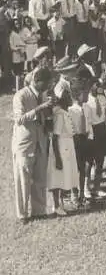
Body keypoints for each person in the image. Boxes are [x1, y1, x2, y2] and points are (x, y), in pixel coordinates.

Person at [11, 67, 53, 222]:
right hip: (25, 143)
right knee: (23, 179)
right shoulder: (20, 95)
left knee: (40, 178)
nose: (48, 86)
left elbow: (45, 118)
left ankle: (39, 211)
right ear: (37, 81)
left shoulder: (44, 95)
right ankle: (22, 214)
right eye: (46, 83)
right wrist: (39, 108)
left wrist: (48, 112)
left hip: (40, 142)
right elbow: (19, 119)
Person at [47, 83, 81, 216]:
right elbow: (55, 137)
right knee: (58, 176)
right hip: (61, 147)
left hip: (67, 146)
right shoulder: (60, 114)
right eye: (67, 95)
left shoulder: (66, 113)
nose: (70, 98)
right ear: (61, 99)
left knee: (64, 176)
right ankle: (55, 205)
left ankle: (60, 204)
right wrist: (57, 158)